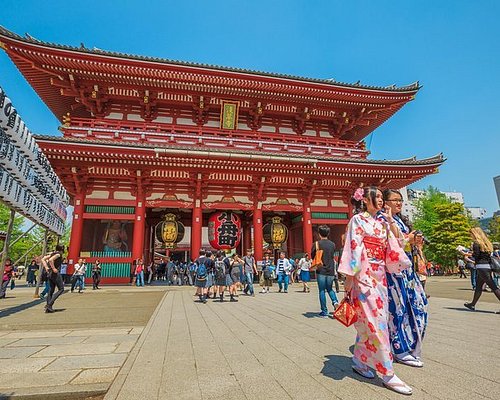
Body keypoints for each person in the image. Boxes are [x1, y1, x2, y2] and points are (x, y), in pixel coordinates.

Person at [338, 186, 413, 395]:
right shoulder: (357, 220)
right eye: (377, 197)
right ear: (365, 200)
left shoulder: (382, 222)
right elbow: (353, 248)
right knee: (377, 324)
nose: (381, 200)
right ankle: (388, 372)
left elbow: (397, 246)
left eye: (382, 197)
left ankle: (359, 362)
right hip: (364, 277)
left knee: (366, 323)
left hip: (380, 277)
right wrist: (350, 278)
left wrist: (390, 221)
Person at [380, 189, 428, 368]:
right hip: (393, 272)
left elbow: (404, 242)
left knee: (417, 306)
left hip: (408, 270)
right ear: (386, 202)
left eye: (400, 200)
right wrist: (408, 239)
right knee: (398, 309)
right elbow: (389, 243)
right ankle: (400, 349)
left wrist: (415, 242)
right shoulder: (383, 219)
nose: (399, 203)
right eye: (395, 200)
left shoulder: (401, 220)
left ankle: (411, 344)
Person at [464, 227, 500, 311]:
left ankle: (472, 304)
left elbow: (476, 256)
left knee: (493, 287)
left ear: (475, 234)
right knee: (479, 286)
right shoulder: (486, 243)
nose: (470, 236)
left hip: (481, 267)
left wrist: (466, 253)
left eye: (471, 234)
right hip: (487, 266)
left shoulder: (476, 243)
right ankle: (472, 304)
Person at [312, 225, 339, 316]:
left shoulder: (317, 244)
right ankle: (335, 302)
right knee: (330, 289)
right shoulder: (332, 244)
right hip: (330, 269)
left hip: (321, 269)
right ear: (328, 233)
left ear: (319, 234)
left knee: (322, 290)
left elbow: (313, 256)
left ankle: (324, 311)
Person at [42, 245, 66, 313]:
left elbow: (43, 259)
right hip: (55, 273)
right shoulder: (58, 254)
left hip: (49, 273)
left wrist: (46, 267)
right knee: (61, 289)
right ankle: (49, 304)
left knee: (51, 290)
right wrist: (53, 268)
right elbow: (50, 260)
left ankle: (48, 308)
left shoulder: (52, 253)